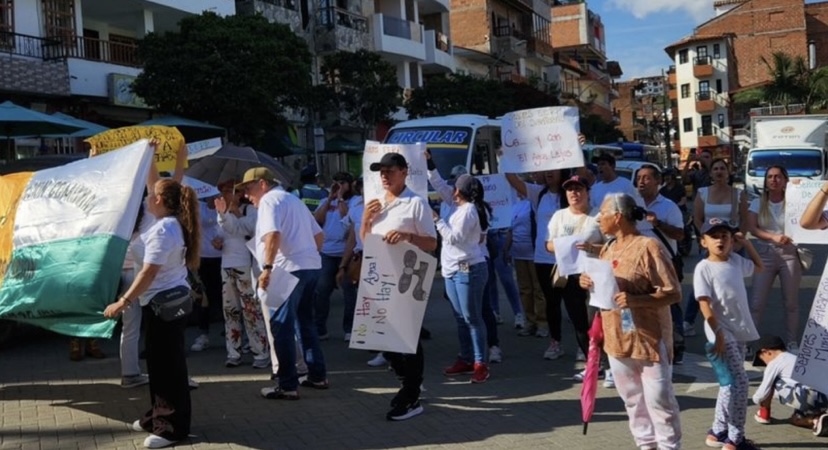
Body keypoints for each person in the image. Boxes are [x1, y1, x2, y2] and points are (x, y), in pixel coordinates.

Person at [579, 193, 682, 450]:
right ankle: (645, 445)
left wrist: (637, 300)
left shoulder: (649, 246)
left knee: (659, 400)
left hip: (648, 337)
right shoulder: (608, 248)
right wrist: (587, 282)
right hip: (616, 338)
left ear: (617, 216)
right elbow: (604, 290)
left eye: (602, 213)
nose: (598, 218)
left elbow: (673, 292)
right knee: (632, 400)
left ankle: (669, 446)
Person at [104, 177, 201, 449]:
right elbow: (154, 181)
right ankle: (156, 417)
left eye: (151, 195)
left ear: (159, 200)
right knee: (160, 366)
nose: (147, 199)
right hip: (161, 304)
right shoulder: (166, 224)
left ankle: (171, 429)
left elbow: (149, 272)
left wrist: (122, 301)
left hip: (164, 305)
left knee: (168, 368)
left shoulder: (164, 229)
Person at [237, 167, 328, 400]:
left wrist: (267, 268)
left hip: (286, 270)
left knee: (281, 327)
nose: (247, 195)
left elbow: (273, 235)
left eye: (248, 189)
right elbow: (319, 236)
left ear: (263, 184)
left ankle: (287, 384)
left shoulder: (269, 201)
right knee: (305, 323)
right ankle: (317, 375)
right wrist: (304, 254)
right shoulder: (293, 200)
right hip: (309, 267)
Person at [361, 152, 437, 421]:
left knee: (408, 339)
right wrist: (366, 220)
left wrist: (407, 236)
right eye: (381, 171)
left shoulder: (416, 204)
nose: (384, 175)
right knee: (381, 337)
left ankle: (411, 393)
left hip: (406, 279)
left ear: (404, 172)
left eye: (390, 170)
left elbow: (432, 243)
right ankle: (409, 382)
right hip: (379, 277)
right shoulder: (376, 202)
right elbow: (366, 240)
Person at [694, 218, 763, 449]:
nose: (720, 240)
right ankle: (735, 438)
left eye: (725, 235)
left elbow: (759, 266)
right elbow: (704, 303)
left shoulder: (735, 260)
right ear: (704, 242)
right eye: (714, 236)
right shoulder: (703, 268)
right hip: (721, 331)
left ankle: (717, 430)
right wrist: (718, 332)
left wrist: (747, 243)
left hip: (739, 329)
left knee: (728, 384)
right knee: (740, 383)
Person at [433, 173, 492, 383]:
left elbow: (455, 238)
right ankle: (466, 358)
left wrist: (437, 220)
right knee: (460, 319)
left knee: (472, 318)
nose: (450, 189)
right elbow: (438, 184)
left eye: (454, 186)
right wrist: (429, 164)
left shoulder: (467, 211)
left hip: (469, 269)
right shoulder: (454, 204)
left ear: (459, 190)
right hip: (451, 270)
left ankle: (480, 363)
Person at [544, 175, 605, 380]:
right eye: (570, 190)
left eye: (579, 189)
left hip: (594, 276)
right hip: (569, 275)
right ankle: (592, 364)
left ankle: (605, 363)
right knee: (578, 322)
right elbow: (548, 245)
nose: (574, 193)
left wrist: (590, 247)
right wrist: (565, 244)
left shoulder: (598, 216)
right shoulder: (559, 216)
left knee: (594, 320)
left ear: (588, 192)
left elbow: (611, 246)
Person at [684, 158, 747, 337]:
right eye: (716, 169)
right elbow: (697, 218)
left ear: (728, 173)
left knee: (733, 286)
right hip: (710, 245)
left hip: (732, 246)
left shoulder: (738, 194)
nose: (719, 172)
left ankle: (736, 326)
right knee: (701, 283)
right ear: (710, 173)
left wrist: (737, 244)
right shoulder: (702, 193)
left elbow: (744, 220)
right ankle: (688, 320)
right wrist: (705, 238)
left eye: (722, 169)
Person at [505, 169, 566, 344]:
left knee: (572, 303)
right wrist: (507, 158)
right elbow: (512, 178)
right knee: (544, 297)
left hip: (565, 257)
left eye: (553, 169)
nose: (548, 173)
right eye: (545, 170)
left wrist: (577, 147)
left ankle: (584, 347)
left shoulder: (570, 192)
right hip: (540, 256)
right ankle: (550, 337)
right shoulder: (538, 193)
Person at [214, 180, 270, 369]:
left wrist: (234, 213)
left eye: (230, 191)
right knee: (230, 310)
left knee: (251, 311)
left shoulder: (250, 211)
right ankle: (233, 352)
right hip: (227, 264)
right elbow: (221, 232)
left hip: (246, 265)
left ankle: (260, 352)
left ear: (238, 194)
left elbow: (248, 229)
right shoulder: (222, 212)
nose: (226, 195)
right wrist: (217, 241)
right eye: (223, 191)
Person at [746, 166, 802, 351]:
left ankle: (792, 341)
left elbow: (809, 210)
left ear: (785, 180)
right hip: (765, 254)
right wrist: (772, 237)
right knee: (756, 303)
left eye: (778, 177)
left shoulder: (794, 200)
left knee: (791, 302)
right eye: (770, 177)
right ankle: (750, 342)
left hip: (789, 255)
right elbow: (752, 228)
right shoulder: (758, 202)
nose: (773, 180)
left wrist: (800, 187)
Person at [636, 165, 686, 364]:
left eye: (647, 178)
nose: (641, 181)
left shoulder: (668, 206)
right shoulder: (632, 205)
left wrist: (658, 224)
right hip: (640, 267)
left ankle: (677, 345)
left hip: (664, 265)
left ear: (658, 181)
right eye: (639, 177)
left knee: (670, 305)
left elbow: (680, 234)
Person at [751, 335, 828, 436]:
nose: (765, 364)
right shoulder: (796, 357)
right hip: (823, 396)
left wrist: (754, 399)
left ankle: (764, 415)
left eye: (763, 360)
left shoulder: (775, 363)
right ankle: (817, 420)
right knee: (795, 419)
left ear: (767, 352)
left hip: (807, 397)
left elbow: (763, 392)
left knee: (772, 382)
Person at [312, 171, 355, 340]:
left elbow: (347, 218)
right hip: (327, 252)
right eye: (336, 182)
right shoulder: (325, 201)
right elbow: (317, 220)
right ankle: (320, 328)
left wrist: (341, 197)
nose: (339, 186)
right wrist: (330, 199)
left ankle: (349, 328)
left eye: (343, 182)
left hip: (346, 252)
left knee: (349, 291)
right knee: (322, 289)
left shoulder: (354, 202)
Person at [503, 190, 546, 337]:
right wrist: (506, 249)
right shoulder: (515, 205)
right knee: (525, 289)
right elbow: (510, 230)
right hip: (518, 253)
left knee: (538, 289)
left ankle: (542, 323)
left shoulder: (532, 203)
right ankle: (530, 321)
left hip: (534, 253)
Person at [190, 199, 224, 352]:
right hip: (203, 257)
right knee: (204, 296)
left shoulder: (225, 206)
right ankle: (203, 334)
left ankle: (233, 333)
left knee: (224, 296)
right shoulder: (199, 206)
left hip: (223, 256)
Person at [336, 176, 364, 342]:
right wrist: (343, 265)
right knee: (360, 299)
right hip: (360, 260)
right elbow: (352, 238)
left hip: (460, 266)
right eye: (362, 187)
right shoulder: (357, 208)